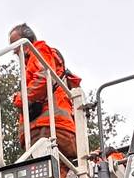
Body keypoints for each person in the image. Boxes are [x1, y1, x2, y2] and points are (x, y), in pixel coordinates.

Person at [8, 23, 81, 160]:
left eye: (15, 45)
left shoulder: (39, 51)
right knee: (60, 174)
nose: (14, 51)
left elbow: (43, 78)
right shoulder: (38, 58)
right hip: (58, 129)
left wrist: (21, 99)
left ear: (26, 41)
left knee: (51, 172)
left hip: (48, 127)